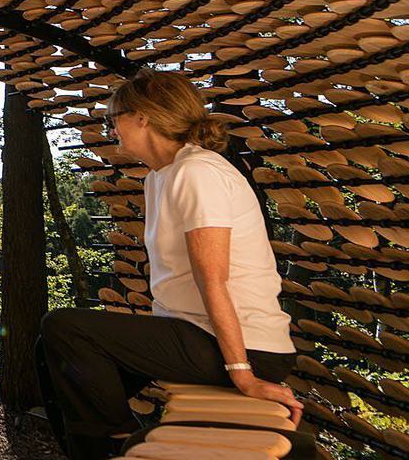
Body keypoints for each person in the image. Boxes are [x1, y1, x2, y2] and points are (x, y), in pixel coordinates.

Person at [37, 70, 300, 459]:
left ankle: (117, 442)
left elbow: (214, 281)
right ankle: (114, 443)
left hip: (247, 346)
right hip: (194, 334)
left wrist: (243, 375)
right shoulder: (160, 177)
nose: (112, 129)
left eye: (115, 118)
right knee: (52, 358)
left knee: (64, 328)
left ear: (143, 117)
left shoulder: (198, 172)